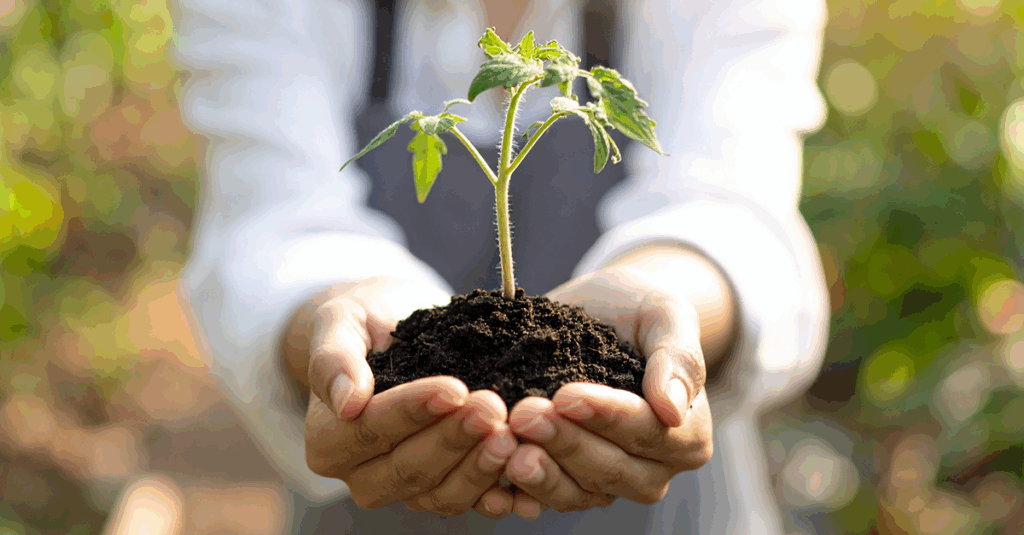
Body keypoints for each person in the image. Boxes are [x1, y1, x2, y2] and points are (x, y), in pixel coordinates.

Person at [173, 0, 831, 532]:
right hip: (380, 500)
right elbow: (274, 220)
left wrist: (662, 302)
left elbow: (731, 206)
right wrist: (337, 319)